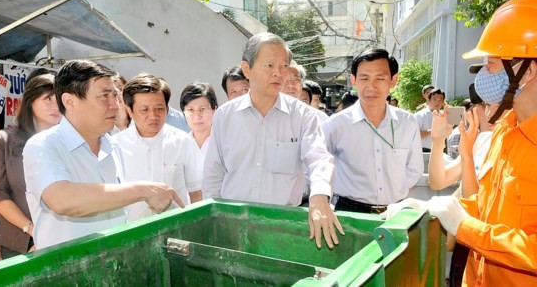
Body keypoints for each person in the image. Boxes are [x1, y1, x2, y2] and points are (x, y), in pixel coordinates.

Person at [384, 0, 537, 286]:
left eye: (490, 65)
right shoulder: (505, 130)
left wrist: (465, 227)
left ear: (526, 70)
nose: (482, 77)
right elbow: (489, 206)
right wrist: (433, 209)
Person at [23, 60, 184, 249]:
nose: (115, 105)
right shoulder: (43, 145)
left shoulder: (113, 147)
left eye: (116, 96)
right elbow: (62, 200)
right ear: (70, 101)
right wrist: (143, 191)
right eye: (104, 96)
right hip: (66, 271)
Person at [203, 32, 344, 249]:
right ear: (247, 68)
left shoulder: (303, 116)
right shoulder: (225, 116)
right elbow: (214, 174)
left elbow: (319, 158)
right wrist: (214, 219)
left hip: (284, 226)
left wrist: (319, 198)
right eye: (269, 65)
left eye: (284, 65)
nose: (279, 73)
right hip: (234, 224)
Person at [322, 48, 423, 213]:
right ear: (354, 81)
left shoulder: (407, 123)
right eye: (364, 78)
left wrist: (395, 192)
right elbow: (320, 168)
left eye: (380, 78)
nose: (371, 86)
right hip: (349, 212)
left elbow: (414, 169)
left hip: (395, 211)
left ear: (393, 80)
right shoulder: (335, 125)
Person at [0, 72, 61, 258]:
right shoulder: (5, 140)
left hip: (64, 235)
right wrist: (32, 230)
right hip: (20, 239)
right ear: (30, 101)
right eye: (48, 99)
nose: (56, 106)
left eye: (59, 99)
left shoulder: (68, 140)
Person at [114, 74, 202, 221]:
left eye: (159, 108)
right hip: (131, 231)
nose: (153, 115)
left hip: (176, 228)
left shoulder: (183, 142)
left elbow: (196, 191)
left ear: (167, 109)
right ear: (129, 110)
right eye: (144, 110)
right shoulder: (116, 145)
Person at [180, 82, 218, 162]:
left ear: (214, 109)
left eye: (202, 109)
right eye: (190, 110)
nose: (197, 116)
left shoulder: (224, 143)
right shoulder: (180, 145)